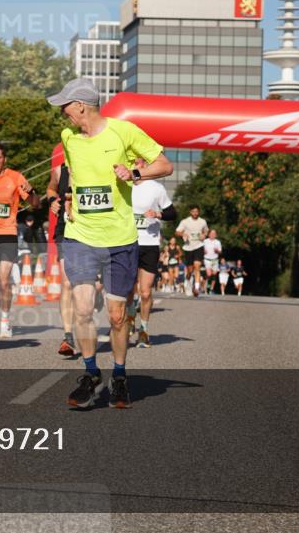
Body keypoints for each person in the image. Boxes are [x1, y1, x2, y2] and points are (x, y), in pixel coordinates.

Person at [47, 78, 172, 409]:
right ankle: (90, 374)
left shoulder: (124, 131)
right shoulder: (68, 137)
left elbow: (165, 164)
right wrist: (65, 199)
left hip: (120, 239)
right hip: (80, 236)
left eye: (65, 106)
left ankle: (119, 375)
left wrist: (133, 174)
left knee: (117, 316)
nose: (62, 113)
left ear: (81, 106)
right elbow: (75, 176)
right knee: (83, 308)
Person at [0, 143, 37, 338]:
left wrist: (32, 192)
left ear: (4, 159)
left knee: (4, 280)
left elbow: (35, 204)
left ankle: (5, 321)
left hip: (7, 233)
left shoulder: (15, 177)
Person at [125, 163, 176, 349]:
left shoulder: (156, 188)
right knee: (129, 289)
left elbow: (172, 213)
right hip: (128, 242)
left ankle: (144, 331)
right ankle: (130, 316)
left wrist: (157, 213)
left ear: (145, 165)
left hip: (149, 244)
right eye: (130, 161)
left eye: (137, 161)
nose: (133, 164)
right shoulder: (123, 185)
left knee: (145, 292)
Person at [46, 162, 77, 357]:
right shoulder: (60, 170)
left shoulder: (93, 162)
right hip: (65, 230)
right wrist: (52, 200)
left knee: (90, 286)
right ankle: (68, 336)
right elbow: (51, 187)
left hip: (92, 230)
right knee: (66, 283)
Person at [175, 207, 208, 296]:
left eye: (196, 211)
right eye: (193, 211)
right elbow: (177, 232)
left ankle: (196, 288)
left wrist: (204, 235)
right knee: (190, 270)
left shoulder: (203, 221)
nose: (195, 213)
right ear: (190, 212)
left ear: (199, 212)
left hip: (199, 246)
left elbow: (206, 231)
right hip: (188, 247)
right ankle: (187, 281)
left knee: (197, 266)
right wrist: (183, 234)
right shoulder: (185, 221)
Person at [203, 229, 223, 295]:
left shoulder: (217, 242)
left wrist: (217, 251)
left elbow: (220, 251)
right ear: (209, 234)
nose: (212, 235)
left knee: (214, 274)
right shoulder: (205, 241)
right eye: (211, 233)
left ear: (216, 235)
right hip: (207, 259)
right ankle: (205, 287)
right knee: (209, 274)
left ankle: (211, 289)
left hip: (215, 260)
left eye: (214, 233)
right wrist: (203, 251)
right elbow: (201, 250)